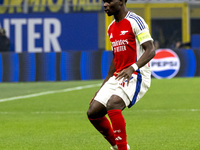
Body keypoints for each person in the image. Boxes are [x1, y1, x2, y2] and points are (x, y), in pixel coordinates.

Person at [87, 0, 155, 149]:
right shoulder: (111, 28)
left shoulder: (135, 21)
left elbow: (150, 50)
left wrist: (133, 67)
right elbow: (116, 58)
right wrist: (103, 86)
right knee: (93, 112)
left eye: (109, 1)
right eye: (104, 1)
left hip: (137, 74)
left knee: (113, 103)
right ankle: (116, 146)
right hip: (119, 74)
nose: (105, 5)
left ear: (122, 1)